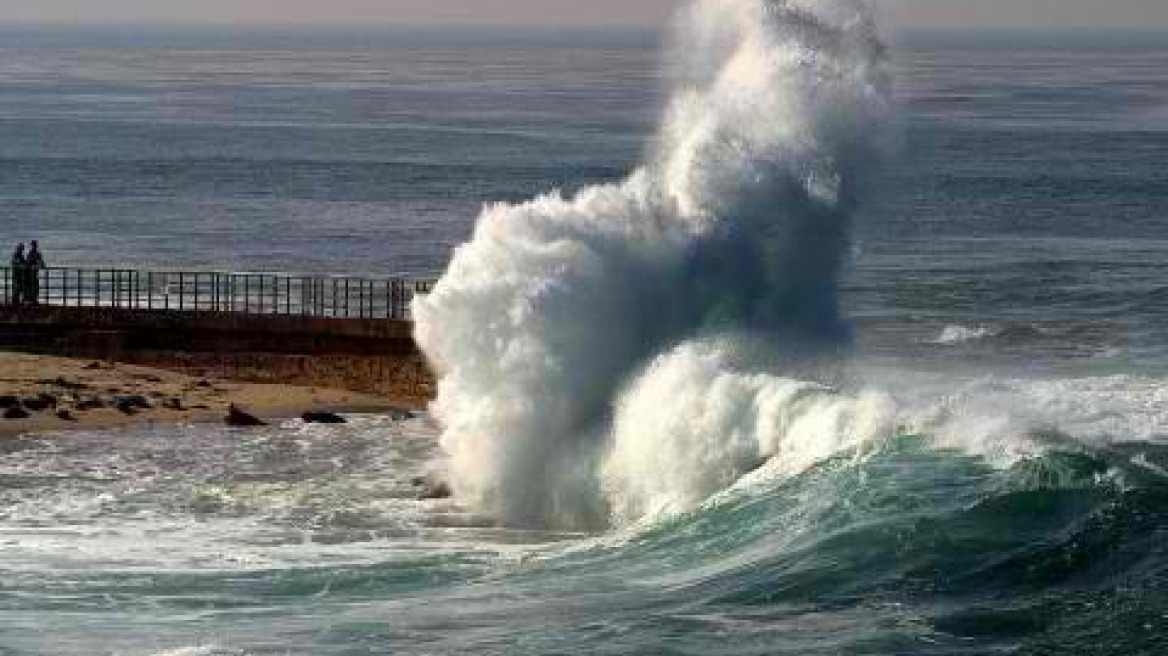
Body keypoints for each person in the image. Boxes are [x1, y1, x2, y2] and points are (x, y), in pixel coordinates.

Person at [24, 240, 45, 305]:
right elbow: (27, 263)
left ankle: (33, 300)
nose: (33, 247)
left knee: (34, 287)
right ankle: (31, 300)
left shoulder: (34, 254)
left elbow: (42, 263)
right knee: (31, 287)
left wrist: (38, 266)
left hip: (33, 272)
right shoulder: (31, 254)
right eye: (33, 245)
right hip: (30, 273)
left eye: (34, 245)